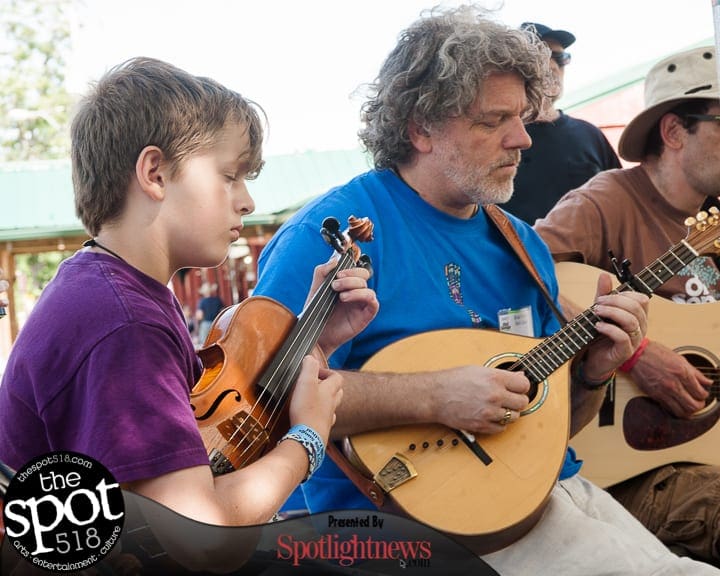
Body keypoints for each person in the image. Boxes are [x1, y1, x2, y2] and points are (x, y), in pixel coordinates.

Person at [252, 6, 717, 575]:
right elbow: (266, 402)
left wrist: (594, 371)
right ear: (420, 128)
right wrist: (434, 396)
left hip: (536, 497)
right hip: (391, 531)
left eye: (522, 117)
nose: (522, 139)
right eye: (492, 121)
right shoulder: (331, 235)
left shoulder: (521, 243)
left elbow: (544, 427)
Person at [0, 57, 378, 530]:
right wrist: (307, 440)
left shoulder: (108, 288)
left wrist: (314, 340)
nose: (247, 201)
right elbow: (194, 533)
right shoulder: (124, 322)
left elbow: (211, 446)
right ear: (155, 173)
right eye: (229, 176)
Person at [534, 45, 720, 564]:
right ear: (674, 132)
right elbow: (514, 281)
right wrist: (635, 353)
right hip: (615, 467)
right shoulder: (603, 203)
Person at [500, 22, 621, 225]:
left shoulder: (589, 134)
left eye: (560, 58)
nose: (553, 66)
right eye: (541, 56)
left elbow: (621, 203)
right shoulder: (499, 140)